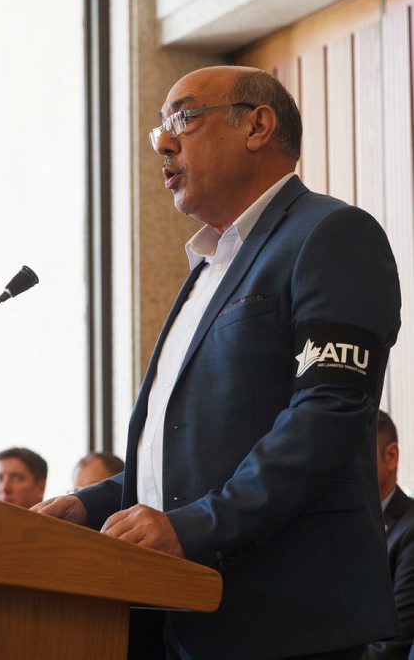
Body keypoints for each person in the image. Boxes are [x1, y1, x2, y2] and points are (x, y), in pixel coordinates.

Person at [33, 66, 401, 659]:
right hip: (173, 617)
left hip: (282, 620)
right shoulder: (208, 266)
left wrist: (195, 526)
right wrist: (92, 504)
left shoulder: (331, 235)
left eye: (182, 118)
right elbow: (186, 460)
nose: (164, 142)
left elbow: (327, 413)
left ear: (257, 125)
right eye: (160, 128)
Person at [363, 411, 414, 659]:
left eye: (358, 457)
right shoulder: (349, 528)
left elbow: (392, 646)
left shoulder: (410, 529)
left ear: (391, 456)